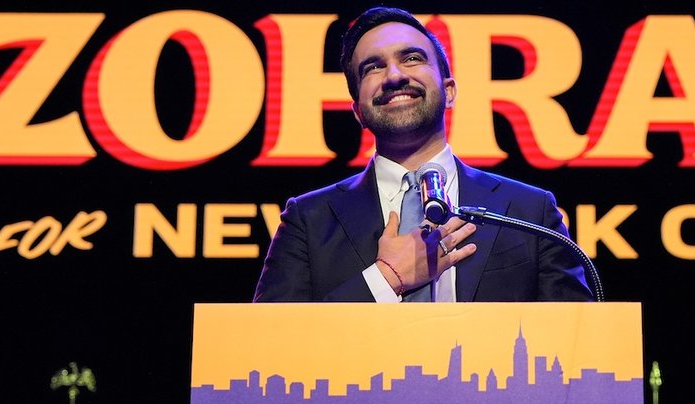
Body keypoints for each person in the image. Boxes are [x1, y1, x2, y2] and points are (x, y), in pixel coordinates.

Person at [253, 6, 592, 303]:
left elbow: (576, 346)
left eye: (412, 58)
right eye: (372, 67)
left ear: (449, 91)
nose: (395, 76)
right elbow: (271, 344)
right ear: (357, 111)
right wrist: (385, 279)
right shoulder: (308, 220)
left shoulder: (530, 211)